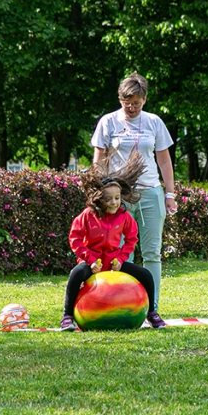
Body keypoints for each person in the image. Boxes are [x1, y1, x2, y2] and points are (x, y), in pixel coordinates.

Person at [90, 72, 176, 315]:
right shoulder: (108, 122)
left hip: (150, 193)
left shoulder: (154, 122)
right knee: (112, 251)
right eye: (127, 102)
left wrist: (170, 194)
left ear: (145, 100)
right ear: (120, 100)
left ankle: (152, 308)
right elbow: (99, 160)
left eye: (136, 103)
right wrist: (99, 192)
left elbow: (164, 161)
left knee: (151, 254)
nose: (131, 107)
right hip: (118, 196)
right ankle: (112, 304)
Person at [61, 151, 165, 331]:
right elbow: (75, 238)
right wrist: (90, 261)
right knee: (76, 274)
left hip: (114, 262)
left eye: (117, 198)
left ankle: (151, 313)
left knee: (146, 275)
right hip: (91, 263)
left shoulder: (124, 217)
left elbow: (132, 238)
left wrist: (122, 258)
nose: (114, 202)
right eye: (109, 199)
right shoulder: (87, 215)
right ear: (99, 198)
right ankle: (67, 316)